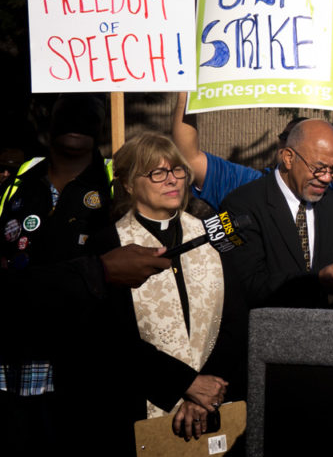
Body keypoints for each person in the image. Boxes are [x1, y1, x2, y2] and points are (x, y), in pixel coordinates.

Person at [88, 132, 248, 448]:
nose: (172, 180)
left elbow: (237, 319)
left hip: (214, 398)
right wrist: (185, 384)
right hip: (140, 403)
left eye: (177, 170)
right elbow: (112, 337)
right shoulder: (109, 246)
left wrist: (205, 391)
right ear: (130, 184)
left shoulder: (210, 235)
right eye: (157, 173)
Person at [0, 94, 114, 451]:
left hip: (84, 360)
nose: (78, 123)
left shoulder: (115, 182)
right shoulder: (18, 181)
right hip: (17, 356)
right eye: (68, 115)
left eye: (88, 117)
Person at [171, 55, 333, 210]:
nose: (325, 175)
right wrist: (186, 95)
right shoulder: (247, 185)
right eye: (285, 138)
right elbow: (188, 158)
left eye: (327, 168)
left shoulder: (327, 190)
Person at [220, 119, 333, 308]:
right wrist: (316, 280)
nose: (326, 178)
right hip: (259, 329)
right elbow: (246, 283)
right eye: (319, 168)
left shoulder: (330, 203)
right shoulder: (240, 204)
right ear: (288, 158)